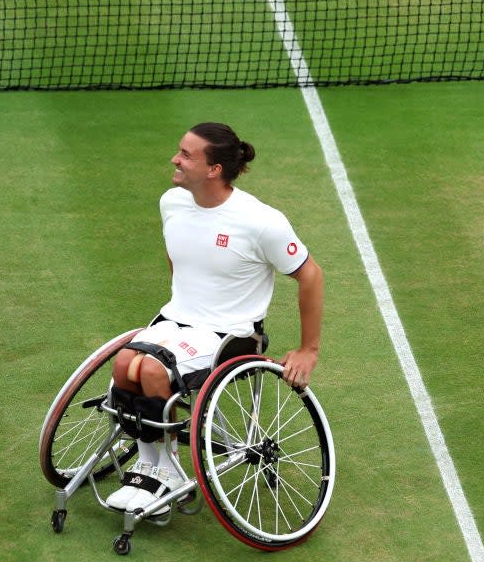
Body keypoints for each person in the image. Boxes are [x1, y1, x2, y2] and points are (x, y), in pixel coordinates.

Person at [105, 122, 324, 513]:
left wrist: (308, 349)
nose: (175, 158)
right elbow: (180, 261)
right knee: (124, 363)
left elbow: (311, 274)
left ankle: (168, 472)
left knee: (153, 371)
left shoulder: (262, 222)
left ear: (214, 170)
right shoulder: (172, 202)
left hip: (230, 334)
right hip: (177, 320)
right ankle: (148, 465)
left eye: (187, 155)